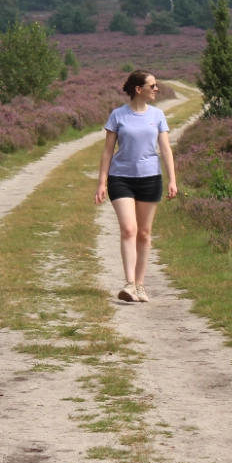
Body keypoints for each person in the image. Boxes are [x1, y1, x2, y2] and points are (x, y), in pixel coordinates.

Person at [95, 70, 178, 303]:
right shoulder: (117, 115)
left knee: (144, 232)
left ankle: (140, 285)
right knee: (129, 229)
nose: (156, 89)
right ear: (138, 89)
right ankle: (129, 283)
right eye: (152, 85)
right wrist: (101, 183)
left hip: (150, 178)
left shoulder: (158, 115)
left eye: (156, 85)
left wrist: (172, 179)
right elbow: (107, 151)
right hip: (120, 178)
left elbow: (165, 150)